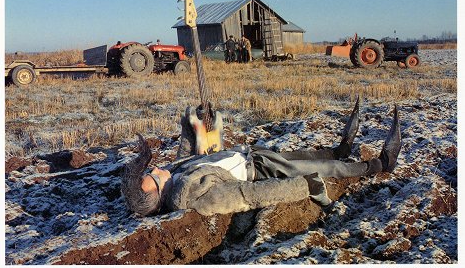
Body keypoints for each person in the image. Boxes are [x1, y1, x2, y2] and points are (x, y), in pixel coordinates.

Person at [121, 98, 402, 217]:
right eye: (153, 175)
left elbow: (186, 157)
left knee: (310, 155)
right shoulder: (196, 197)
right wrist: (304, 186)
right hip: (260, 172)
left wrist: (189, 125)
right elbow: (250, 195)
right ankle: (379, 164)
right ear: (158, 196)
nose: (157, 168)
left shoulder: (174, 177)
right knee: (325, 168)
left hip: (253, 155)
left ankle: (341, 150)